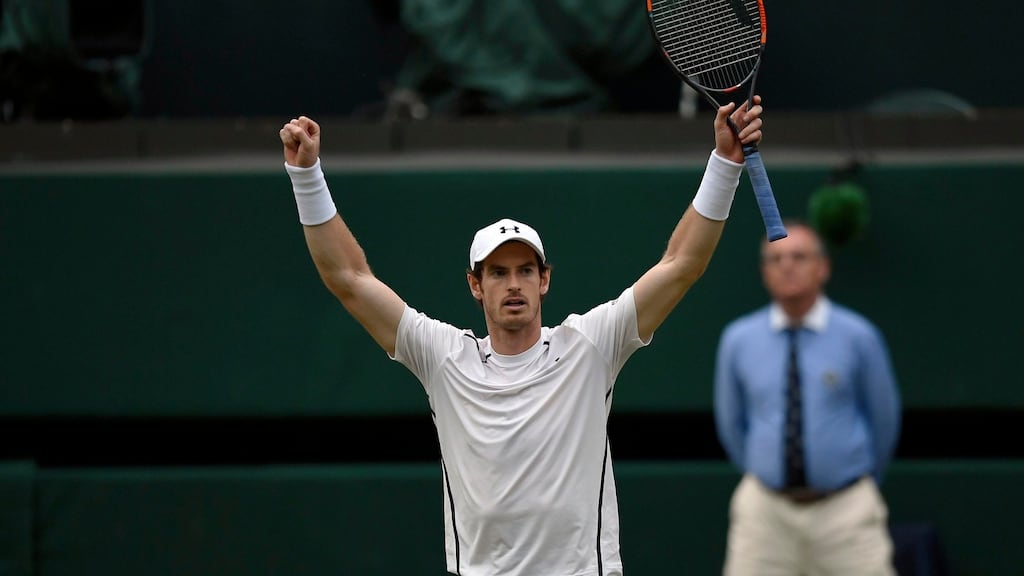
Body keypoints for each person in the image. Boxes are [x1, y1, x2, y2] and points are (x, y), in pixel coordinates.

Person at [279, 95, 765, 575]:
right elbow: (349, 279)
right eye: (497, 272)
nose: (513, 284)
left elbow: (682, 265)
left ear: (544, 280)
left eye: (525, 270)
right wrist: (307, 176)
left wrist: (724, 162)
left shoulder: (589, 345)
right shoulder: (443, 358)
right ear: (475, 284)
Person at [712, 220, 902, 575]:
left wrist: (855, 481)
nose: (787, 266)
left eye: (799, 256)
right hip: (765, 512)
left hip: (845, 509)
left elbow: (884, 419)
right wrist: (763, 470)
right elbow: (730, 422)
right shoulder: (738, 340)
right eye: (775, 258)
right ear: (763, 271)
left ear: (822, 267)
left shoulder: (859, 336)